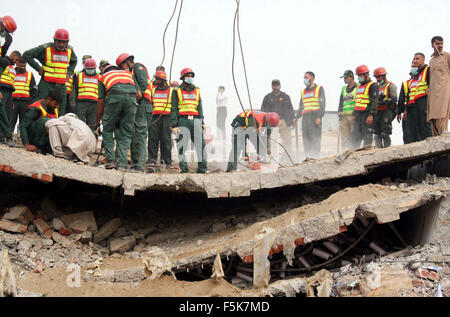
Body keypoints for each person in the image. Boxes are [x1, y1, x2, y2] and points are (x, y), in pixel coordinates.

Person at [23, 28, 78, 116]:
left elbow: (74, 61)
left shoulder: (70, 51)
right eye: (59, 41)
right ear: (54, 40)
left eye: (64, 42)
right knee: (42, 107)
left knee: (61, 111)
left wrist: (69, 73)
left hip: (61, 86)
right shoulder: (46, 48)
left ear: (67, 42)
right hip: (46, 85)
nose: (61, 44)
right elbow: (27, 54)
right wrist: (38, 69)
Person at [96, 64, 138, 171]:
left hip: (114, 98)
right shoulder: (128, 74)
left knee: (108, 130)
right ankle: (122, 164)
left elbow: (101, 101)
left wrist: (98, 121)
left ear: (104, 71)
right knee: (125, 133)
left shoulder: (103, 77)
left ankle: (110, 161)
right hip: (132, 100)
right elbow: (139, 94)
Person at [116, 53, 151, 172]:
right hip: (137, 104)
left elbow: (143, 85)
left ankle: (139, 166)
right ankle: (136, 164)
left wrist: (136, 93)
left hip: (143, 105)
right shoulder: (131, 72)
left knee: (140, 136)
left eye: (122, 67)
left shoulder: (138, 68)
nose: (122, 70)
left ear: (127, 62)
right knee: (135, 135)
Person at [172, 67, 207, 173]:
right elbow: (174, 108)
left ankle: (202, 169)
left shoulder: (197, 90)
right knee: (181, 146)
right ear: (183, 78)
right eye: (188, 76)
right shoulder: (177, 91)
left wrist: (202, 122)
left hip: (196, 120)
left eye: (191, 76)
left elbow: (199, 106)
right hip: (183, 120)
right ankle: (184, 169)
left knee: (200, 146)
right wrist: (174, 124)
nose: (190, 77)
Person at [148, 70, 176, 167]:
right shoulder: (153, 90)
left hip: (167, 118)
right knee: (153, 139)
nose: (156, 81)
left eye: (158, 79)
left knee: (166, 140)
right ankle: (152, 160)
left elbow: (174, 107)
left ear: (163, 80)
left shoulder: (172, 91)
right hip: (155, 118)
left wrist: (173, 121)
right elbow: (151, 104)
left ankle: (167, 161)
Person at [261, 79, 295, 157]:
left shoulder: (286, 97)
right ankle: (272, 158)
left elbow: (291, 109)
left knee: (287, 141)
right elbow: (263, 111)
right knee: (272, 141)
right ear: (271, 86)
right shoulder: (267, 97)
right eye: (274, 86)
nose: (275, 87)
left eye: (277, 85)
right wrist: (263, 124)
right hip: (272, 123)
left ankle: (288, 157)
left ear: (280, 86)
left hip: (284, 121)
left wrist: (293, 120)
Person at [295, 71, 326, 159]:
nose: (304, 79)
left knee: (315, 138)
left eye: (306, 77)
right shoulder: (303, 91)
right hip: (305, 118)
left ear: (312, 78)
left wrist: (319, 117)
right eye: (304, 77)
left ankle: (315, 157)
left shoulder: (319, 88)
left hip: (315, 117)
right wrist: (296, 117)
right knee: (306, 138)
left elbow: (322, 104)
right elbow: (301, 106)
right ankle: (307, 157)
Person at [348, 65, 379, 150]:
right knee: (355, 136)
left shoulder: (373, 85)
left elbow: (374, 101)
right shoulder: (359, 86)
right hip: (358, 115)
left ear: (366, 74)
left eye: (360, 75)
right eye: (358, 75)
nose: (358, 77)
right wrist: (354, 114)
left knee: (367, 136)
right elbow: (357, 101)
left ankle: (366, 153)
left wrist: (371, 115)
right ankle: (353, 152)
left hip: (367, 114)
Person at [405, 53, 432, 143]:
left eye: (417, 59)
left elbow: (432, 82)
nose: (415, 61)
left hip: (424, 99)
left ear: (423, 60)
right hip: (414, 102)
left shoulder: (427, 69)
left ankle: (429, 142)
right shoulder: (416, 75)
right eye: (414, 59)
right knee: (416, 125)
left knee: (425, 123)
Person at [428, 36, 450, 136]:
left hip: (444, 89)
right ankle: (436, 137)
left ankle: (443, 136)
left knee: (442, 114)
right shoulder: (431, 61)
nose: (440, 46)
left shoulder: (447, 56)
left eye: (441, 43)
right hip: (433, 91)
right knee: (432, 116)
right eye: (437, 44)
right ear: (432, 45)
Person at [373, 67, 397, 148]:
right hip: (377, 112)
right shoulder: (376, 87)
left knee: (385, 133)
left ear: (383, 76)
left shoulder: (390, 85)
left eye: (378, 77)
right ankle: (378, 150)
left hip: (386, 111)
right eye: (376, 77)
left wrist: (384, 101)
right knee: (376, 134)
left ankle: (387, 149)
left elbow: (394, 98)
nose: (377, 79)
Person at [11, 57, 38, 132]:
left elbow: (33, 90)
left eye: (24, 66)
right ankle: (9, 136)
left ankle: (22, 136)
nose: (22, 67)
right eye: (20, 66)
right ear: (17, 64)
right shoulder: (12, 72)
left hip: (25, 102)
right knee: (11, 120)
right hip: (13, 101)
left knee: (23, 121)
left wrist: (31, 102)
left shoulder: (29, 74)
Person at [0, 50, 20, 145]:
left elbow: (11, 82)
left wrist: (11, 99)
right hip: (2, 89)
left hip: (9, 92)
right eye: (16, 60)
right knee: (2, 114)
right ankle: (6, 136)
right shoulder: (4, 62)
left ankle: (2, 137)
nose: (16, 62)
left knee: (8, 114)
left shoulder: (12, 68)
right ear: (12, 55)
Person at [73, 58, 99, 131]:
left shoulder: (99, 77)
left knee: (92, 123)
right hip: (81, 103)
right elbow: (74, 90)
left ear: (94, 68)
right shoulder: (80, 76)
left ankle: (91, 139)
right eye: (88, 68)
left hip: (94, 104)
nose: (90, 70)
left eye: (91, 68)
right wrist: (74, 103)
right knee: (79, 122)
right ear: (85, 68)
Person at [338, 70, 357, 150]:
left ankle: (353, 151)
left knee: (353, 135)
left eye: (346, 78)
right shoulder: (343, 89)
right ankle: (344, 151)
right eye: (344, 78)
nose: (344, 79)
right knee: (344, 137)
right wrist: (339, 111)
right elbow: (341, 102)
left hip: (354, 116)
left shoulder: (358, 87)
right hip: (344, 116)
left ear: (351, 77)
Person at [396, 73, 412, 144]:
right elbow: (401, 99)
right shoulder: (405, 84)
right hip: (407, 110)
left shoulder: (421, 83)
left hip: (417, 108)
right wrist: (399, 112)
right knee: (407, 132)